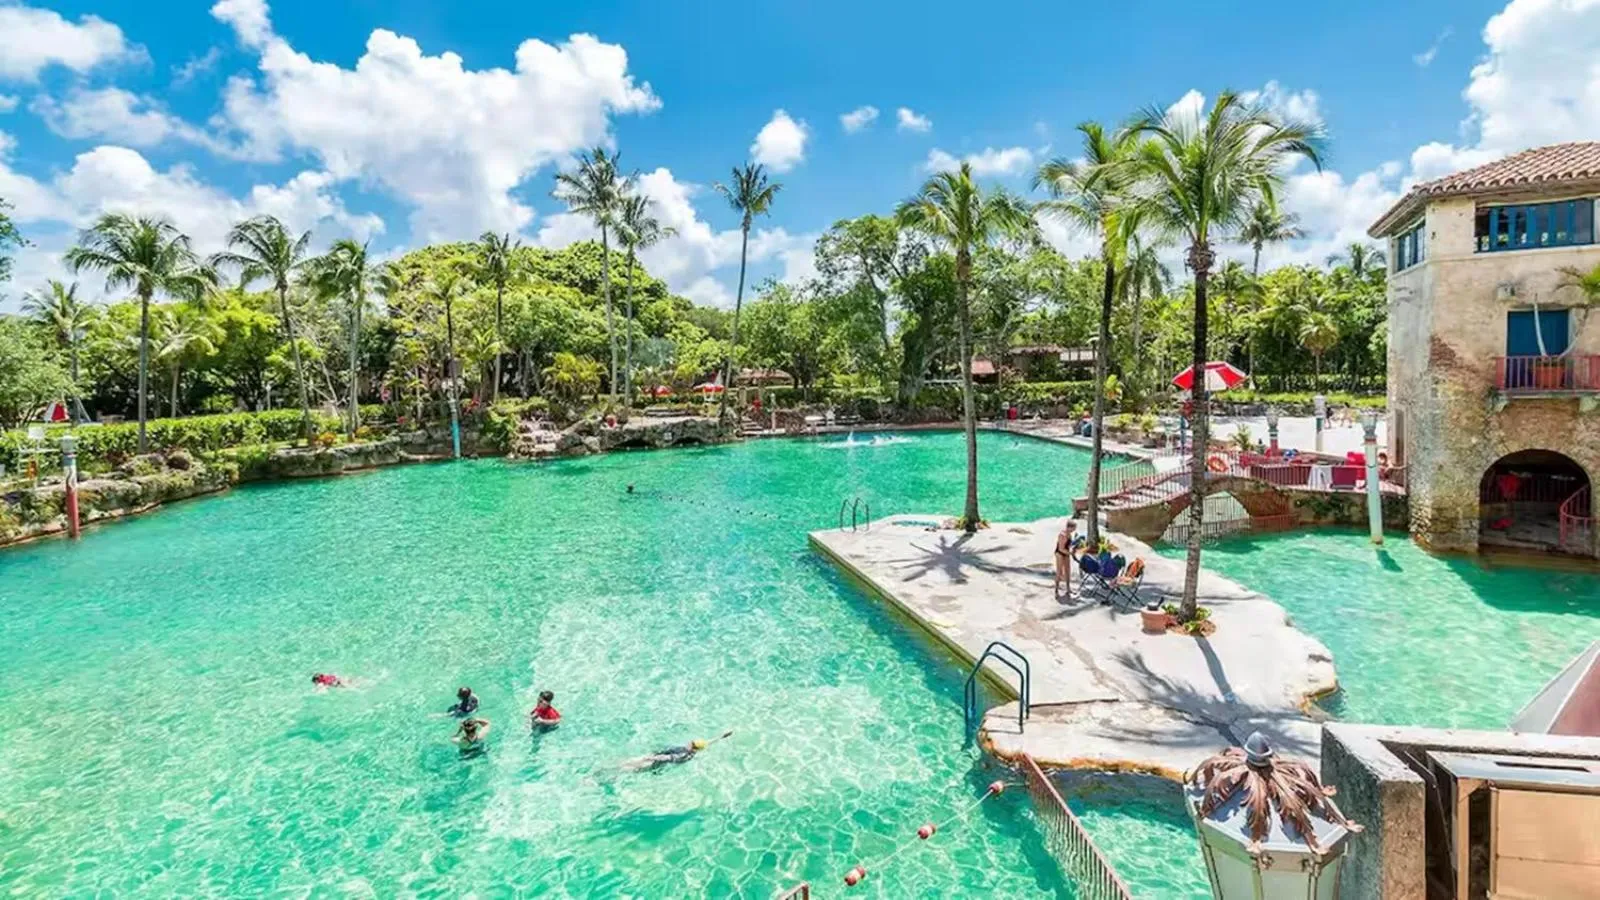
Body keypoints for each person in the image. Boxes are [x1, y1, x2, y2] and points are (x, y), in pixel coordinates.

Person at [620, 731, 733, 772]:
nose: (689, 742)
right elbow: (710, 742)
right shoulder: (697, 749)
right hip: (656, 758)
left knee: (630, 768)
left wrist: (651, 758)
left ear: (694, 748)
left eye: (692, 744)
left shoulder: (684, 754)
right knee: (629, 763)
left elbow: (667, 758)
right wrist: (723, 736)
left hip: (654, 762)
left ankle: (610, 774)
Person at [1053, 520, 1078, 602]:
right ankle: (1056, 590)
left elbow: (1069, 545)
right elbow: (1061, 548)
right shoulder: (1062, 535)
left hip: (1066, 553)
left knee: (1068, 571)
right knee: (1059, 572)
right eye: (1073, 528)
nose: (1074, 530)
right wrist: (1070, 553)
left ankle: (1068, 588)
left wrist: (1074, 547)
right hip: (1060, 554)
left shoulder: (1070, 534)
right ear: (1069, 527)